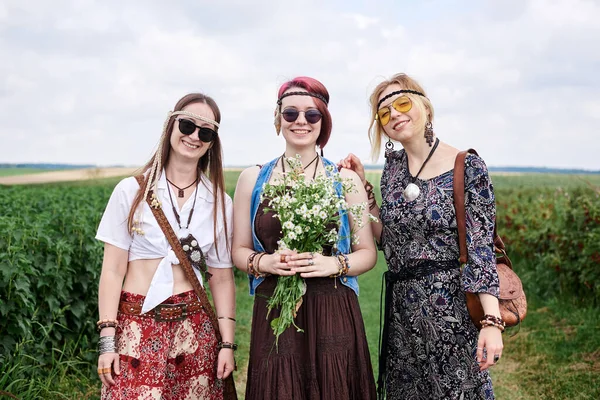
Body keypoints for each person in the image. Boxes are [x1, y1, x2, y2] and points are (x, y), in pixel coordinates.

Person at [339, 73, 504, 400]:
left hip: (451, 312)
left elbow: (481, 248)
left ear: (424, 106)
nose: (395, 114)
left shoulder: (467, 165)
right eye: (384, 112)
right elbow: (389, 242)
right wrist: (364, 189)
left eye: (402, 102)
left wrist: (491, 321)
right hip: (404, 317)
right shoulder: (393, 169)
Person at [232, 76, 378, 400]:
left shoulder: (345, 179)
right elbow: (238, 251)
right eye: (290, 113)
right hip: (275, 311)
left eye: (311, 115)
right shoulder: (252, 178)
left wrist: (334, 264)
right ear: (278, 119)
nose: (301, 121)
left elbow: (367, 253)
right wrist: (264, 261)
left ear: (322, 121)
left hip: (332, 308)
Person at [95, 93, 236, 399]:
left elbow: (222, 278)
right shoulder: (131, 191)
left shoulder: (220, 203)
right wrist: (108, 339)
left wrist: (226, 344)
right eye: (187, 125)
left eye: (205, 132)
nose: (194, 136)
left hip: (195, 332)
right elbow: (112, 269)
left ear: (212, 143)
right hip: (137, 327)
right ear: (170, 126)